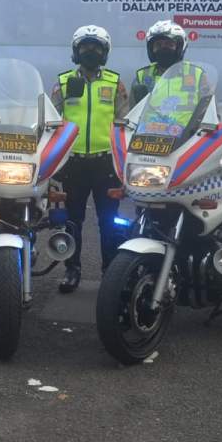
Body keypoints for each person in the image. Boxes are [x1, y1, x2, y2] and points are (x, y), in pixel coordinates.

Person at [51, 26, 129, 293]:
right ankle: (72, 269)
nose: (90, 52)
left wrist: (124, 163)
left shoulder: (115, 83)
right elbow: (51, 121)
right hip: (73, 163)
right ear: (76, 51)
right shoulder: (62, 83)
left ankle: (110, 270)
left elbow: (124, 124)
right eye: (85, 47)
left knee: (109, 221)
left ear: (105, 53)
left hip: (105, 162)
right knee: (72, 220)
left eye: (96, 47)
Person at [133, 21, 215, 114]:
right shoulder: (142, 76)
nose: (163, 49)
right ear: (152, 49)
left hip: (188, 129)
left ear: (179, 48)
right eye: (158, 45)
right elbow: (131, 116)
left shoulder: (197, 75)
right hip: (147, 128)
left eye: (169, 44)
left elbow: (211, 113)